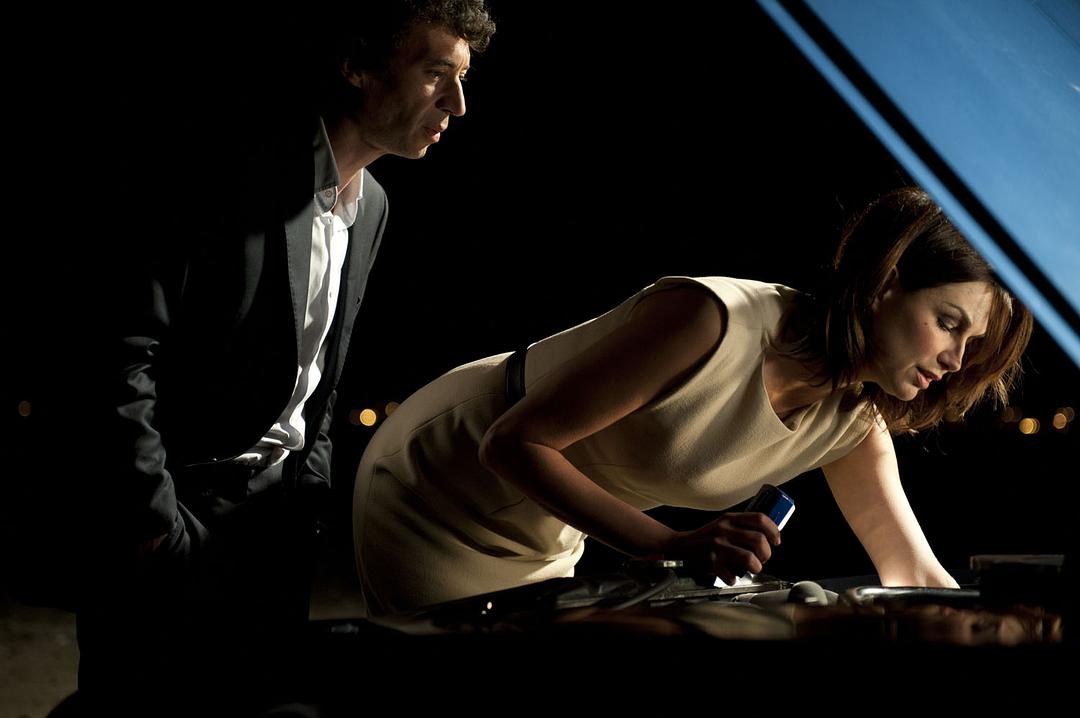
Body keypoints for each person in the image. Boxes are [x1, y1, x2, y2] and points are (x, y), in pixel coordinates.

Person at [51, 2, 497, 714]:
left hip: (279, 526)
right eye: (436, 72)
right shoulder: (223, 171)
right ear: (356, 66)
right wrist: (152, 525)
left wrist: (307, 501)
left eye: (464, 78)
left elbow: (322, 381)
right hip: (176, 512)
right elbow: (116, 354)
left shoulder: (373, 206)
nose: (458, 103)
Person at [353, 187, 1034, 616]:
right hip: (440, 484)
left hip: (547, 536)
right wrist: (673, 547)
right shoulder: (712, 320)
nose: (957, 359)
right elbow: (511, 442)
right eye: (948, 323)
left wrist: (1010, 625)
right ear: (884, 283)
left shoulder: (853, 423)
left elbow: (913, 572)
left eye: (972, 343)